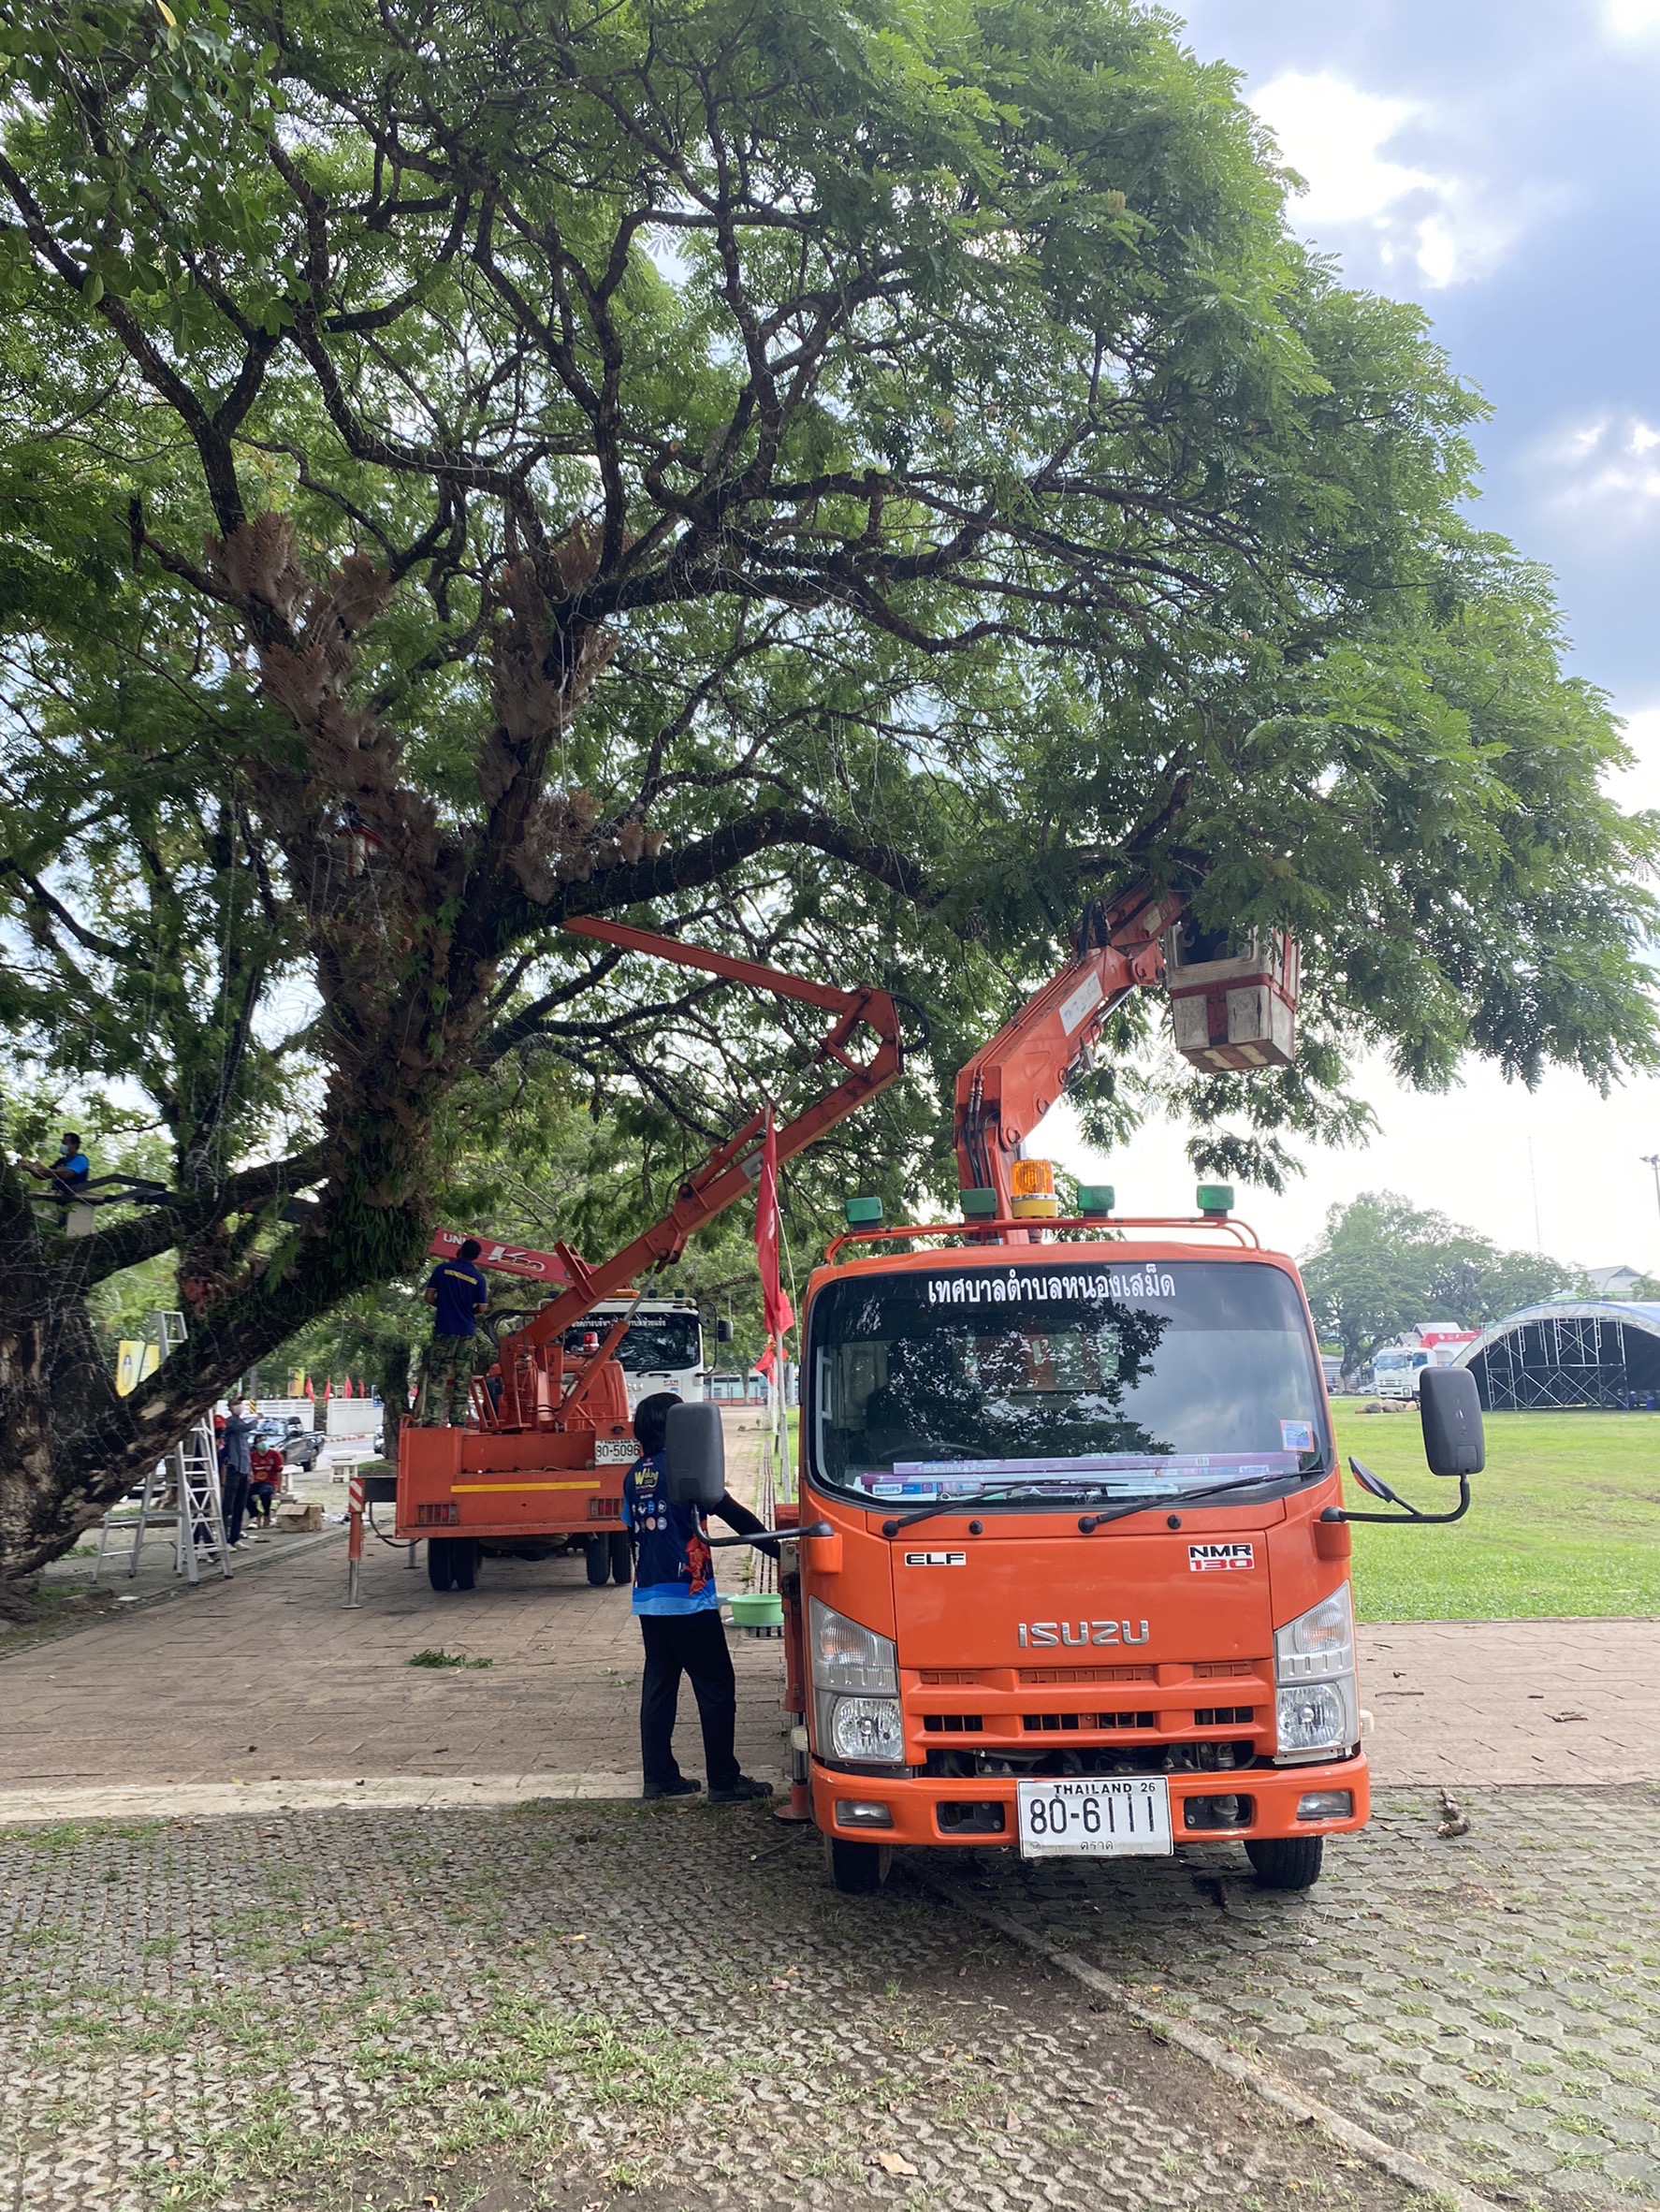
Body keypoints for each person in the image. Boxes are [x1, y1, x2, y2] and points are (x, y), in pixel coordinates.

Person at [622, 1390, 776, 1804]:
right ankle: (724, 1781)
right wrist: (782, 1551)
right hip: (689, 1601)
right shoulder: (687, 1469)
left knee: (659, 1684)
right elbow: (734, 1515)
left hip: (649, 1600)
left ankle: (659, 1776)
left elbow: (631, 1532)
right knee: (715, 1685)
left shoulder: (634, 1473)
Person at [419, 1239, 489, 1426]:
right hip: (467, 1333)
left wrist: (443, 1305)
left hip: (445, 1330)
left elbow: (428, 1297)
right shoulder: (478, 1278)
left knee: (438, 1376)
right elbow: (482, 1308)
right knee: (462, 1379)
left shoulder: (442, 1270)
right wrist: (467, 1311)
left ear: (459, 1251)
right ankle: (458, 1421)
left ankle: (432, 1420)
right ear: (476, 1257)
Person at [220, 1397, 255, 1549]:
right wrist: (257, 1419)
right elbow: (245, 1427)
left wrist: (250, 1471)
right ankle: (224, 1539)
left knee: (239, 1507)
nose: (239, 1406)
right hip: (232, 1470)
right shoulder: (231, 1422)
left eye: (240, 1403)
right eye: (236, 1404)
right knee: (228, 1506)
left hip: (243, 1470)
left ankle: (235, 1538)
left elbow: (246, 1451)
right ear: (230, 1407)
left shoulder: (242, 1425)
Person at [247, 1438, 284, 1535]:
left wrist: (279, 1488)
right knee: (245, 1493)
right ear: (255, 1445)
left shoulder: (274, 1454)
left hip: (270, 1482)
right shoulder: (252, 1456)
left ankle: (267, 1515)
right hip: (256, 1482)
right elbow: (249, 1471)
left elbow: (279, 1472)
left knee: (265, 1494)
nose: (263, 1443)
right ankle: (253, 1516)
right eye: (260, 1441)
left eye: (264, 1440)